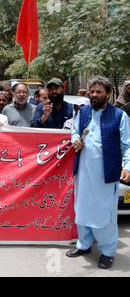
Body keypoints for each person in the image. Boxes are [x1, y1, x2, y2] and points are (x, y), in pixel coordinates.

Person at [67, 76, 130, 269]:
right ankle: (84, 244)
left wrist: (127, 167)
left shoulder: (120, 116)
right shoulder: (83, 112)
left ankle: (108, 251)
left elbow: (127, 145)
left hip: (107, 174)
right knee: (83, 208)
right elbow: (74, 131)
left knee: (105, 214)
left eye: (98, 92)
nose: (93, 95)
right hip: (83, 172)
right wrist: (75, 139)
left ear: (108, 94)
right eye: (91, 91)